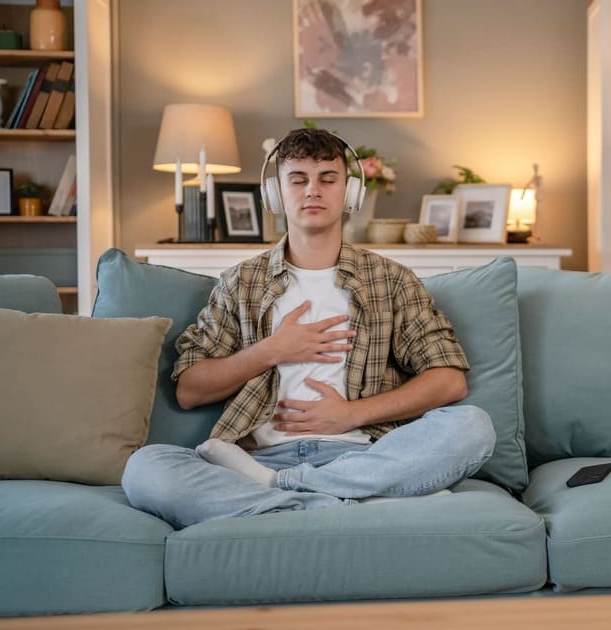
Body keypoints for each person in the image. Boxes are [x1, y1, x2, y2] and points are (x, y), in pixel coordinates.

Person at [121, 128, 495, 529]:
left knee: (473, 426)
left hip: (364, 456)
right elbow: (189, 390)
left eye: (327, 179)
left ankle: (285, 489)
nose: (312, 191)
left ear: (349, 193)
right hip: (255, 458)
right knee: (145, 468)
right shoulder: (241, 282)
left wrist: (350, 414)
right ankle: (352, 501)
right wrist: (273, 349)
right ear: (275, 193)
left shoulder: (390, 280)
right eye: (298, 179)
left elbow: (449, 381)